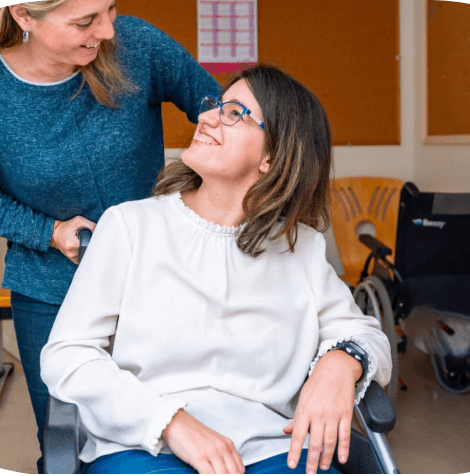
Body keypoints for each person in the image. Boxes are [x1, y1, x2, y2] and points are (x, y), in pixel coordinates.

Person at [41, 64, 392, 475]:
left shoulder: (301, 248)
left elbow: (366, 335)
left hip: (275, 451)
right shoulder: (130, 226)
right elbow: (67, 354)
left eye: (234, 113)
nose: (205, 117)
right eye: (215, 106)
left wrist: (340, 362)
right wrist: (169, 422)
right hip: (147, 447)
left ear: (272, 157)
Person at [0, 1, 221, 472]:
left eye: (110, 9)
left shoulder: (137, 45)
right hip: (50, 290)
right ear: (24, 17)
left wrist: (212, 196)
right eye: (85, 21)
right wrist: (48, 232)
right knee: (67, 443)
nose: (107, 30)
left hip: (161, 278)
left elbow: (218, 110)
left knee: (174, 430)